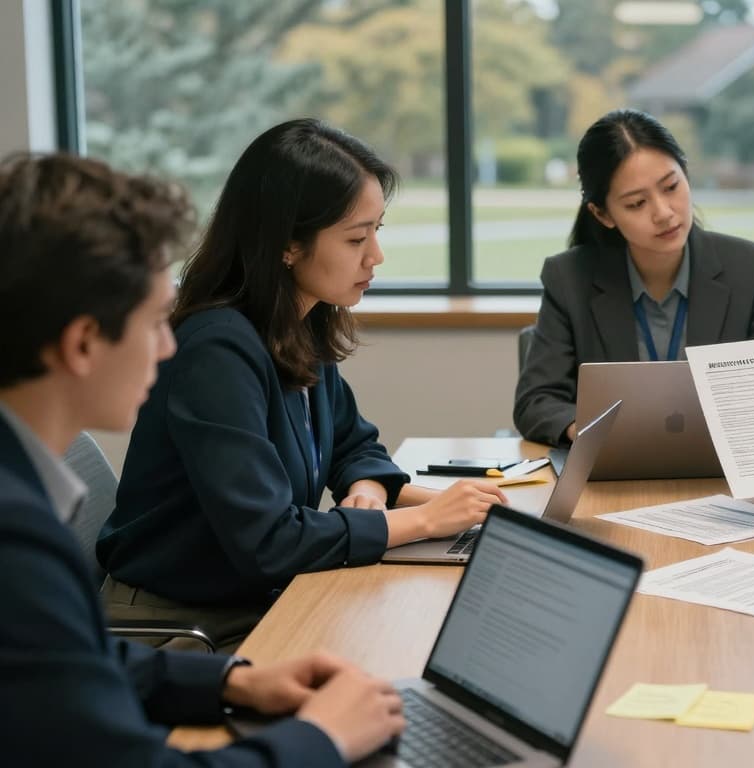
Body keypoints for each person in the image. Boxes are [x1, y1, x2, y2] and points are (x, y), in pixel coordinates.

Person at [0, 151, 404, 766]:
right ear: (83, 343)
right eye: (155, 321)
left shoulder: (23, 495)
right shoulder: (15, 537)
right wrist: (323, 737)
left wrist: (232, 682)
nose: (170, 346)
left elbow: (77, 658)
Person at [98, 119, 506, 648]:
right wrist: (425, 521)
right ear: (288, 244)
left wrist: (367, 490)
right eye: (356, 238)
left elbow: (352, 443)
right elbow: (268, 540)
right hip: (180, 626)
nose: (375, 256)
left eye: (377, 231)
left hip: (252, 598)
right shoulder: (216, 351)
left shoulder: (297, 321)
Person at [513, 108, 754, 445]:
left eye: (671, 187)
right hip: (616, 467)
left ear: (686, 174)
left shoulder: (748, 267)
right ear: (603, 214)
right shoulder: (570, 279)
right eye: (637, 203)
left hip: (720, 466)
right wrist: (590, 432)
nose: (664, 213)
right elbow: (536, 401)